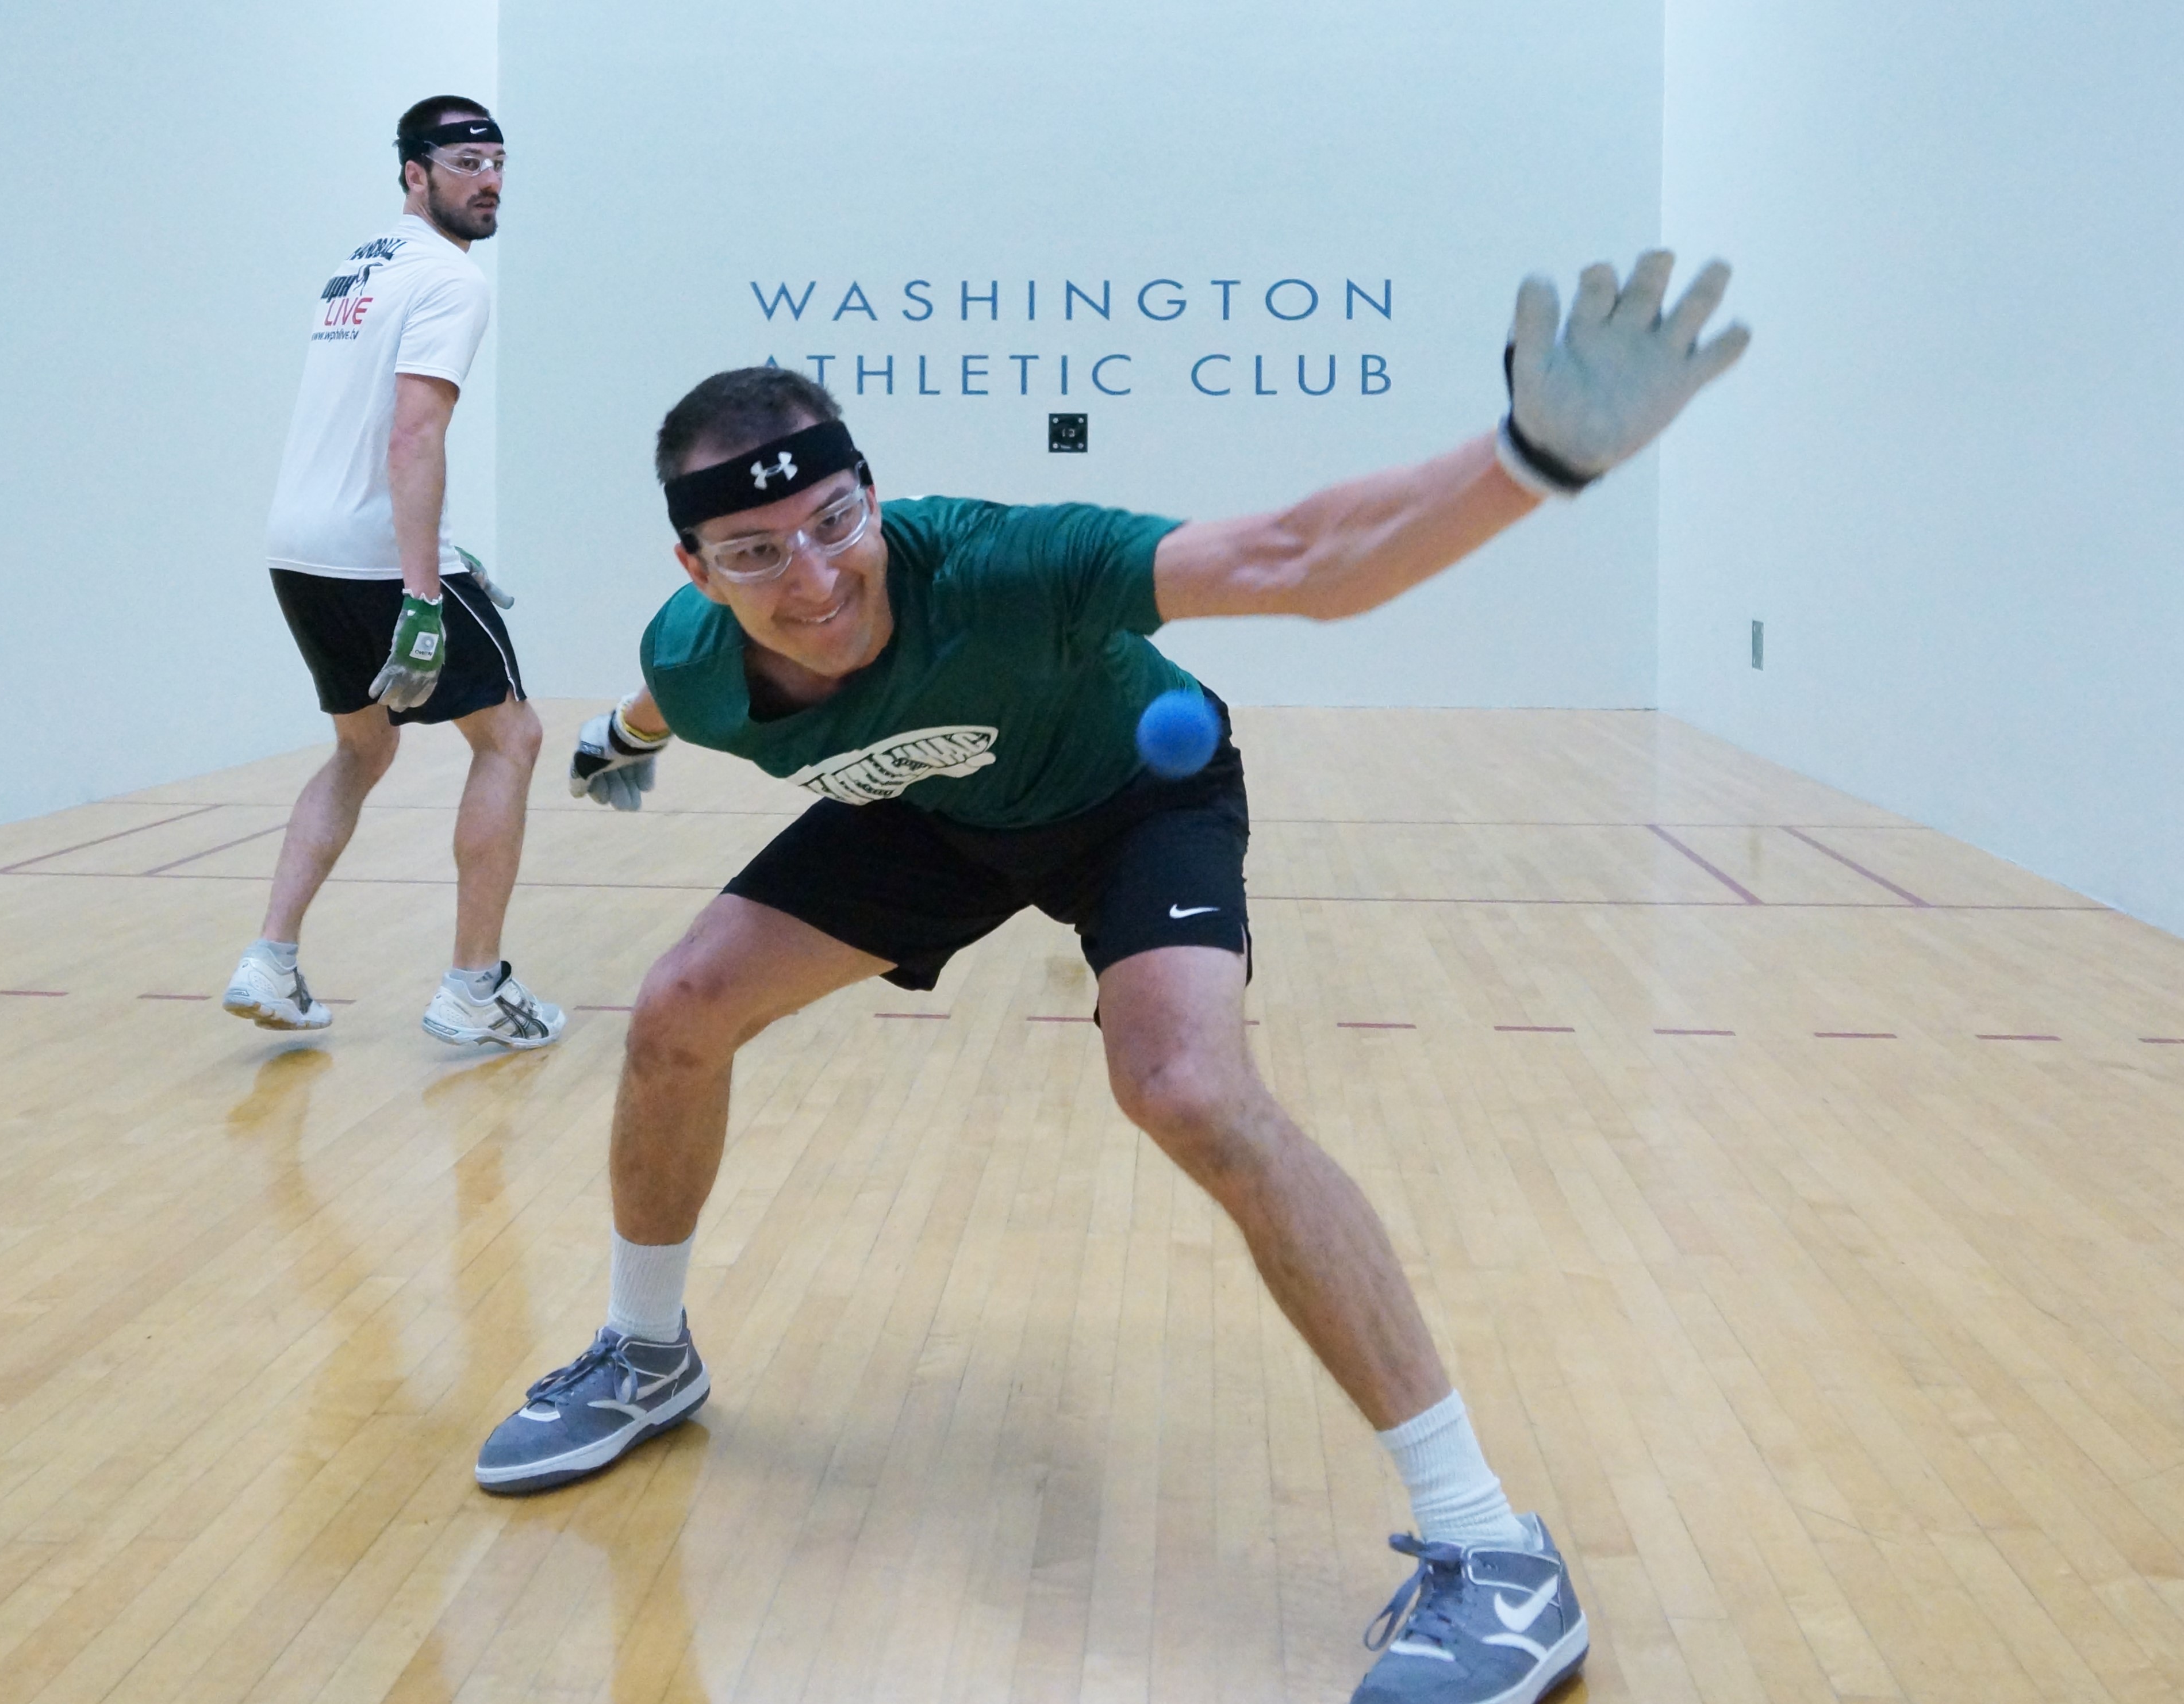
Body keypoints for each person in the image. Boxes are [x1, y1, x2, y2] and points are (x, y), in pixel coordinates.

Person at [485, 253, 1751, 1704]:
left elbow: (1299, 558)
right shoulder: (697, 662)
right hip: (931, 809)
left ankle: (1491, 1547)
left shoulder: (1010, 569)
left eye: (835, 522)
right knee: (676, 1012)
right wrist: (620, 742)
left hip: (1136, 800)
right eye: (756, 552)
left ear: (873, 497)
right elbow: (663, 693)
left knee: (1187, 1088)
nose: (817, 579)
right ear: (697, 572)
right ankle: (645, 1354)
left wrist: (1527, 459)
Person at [221, 95, 564, 1049]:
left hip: (301, 548)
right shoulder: (453, 281)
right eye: (466, 164)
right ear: (415, 174)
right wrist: (422, 591)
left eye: (497, 162)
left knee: (363, 748)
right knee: (512, 738)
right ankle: (474, 988)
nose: (488, 181)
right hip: (381, 560)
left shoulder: (356, 269)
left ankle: (270, 962)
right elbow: (414, 433)